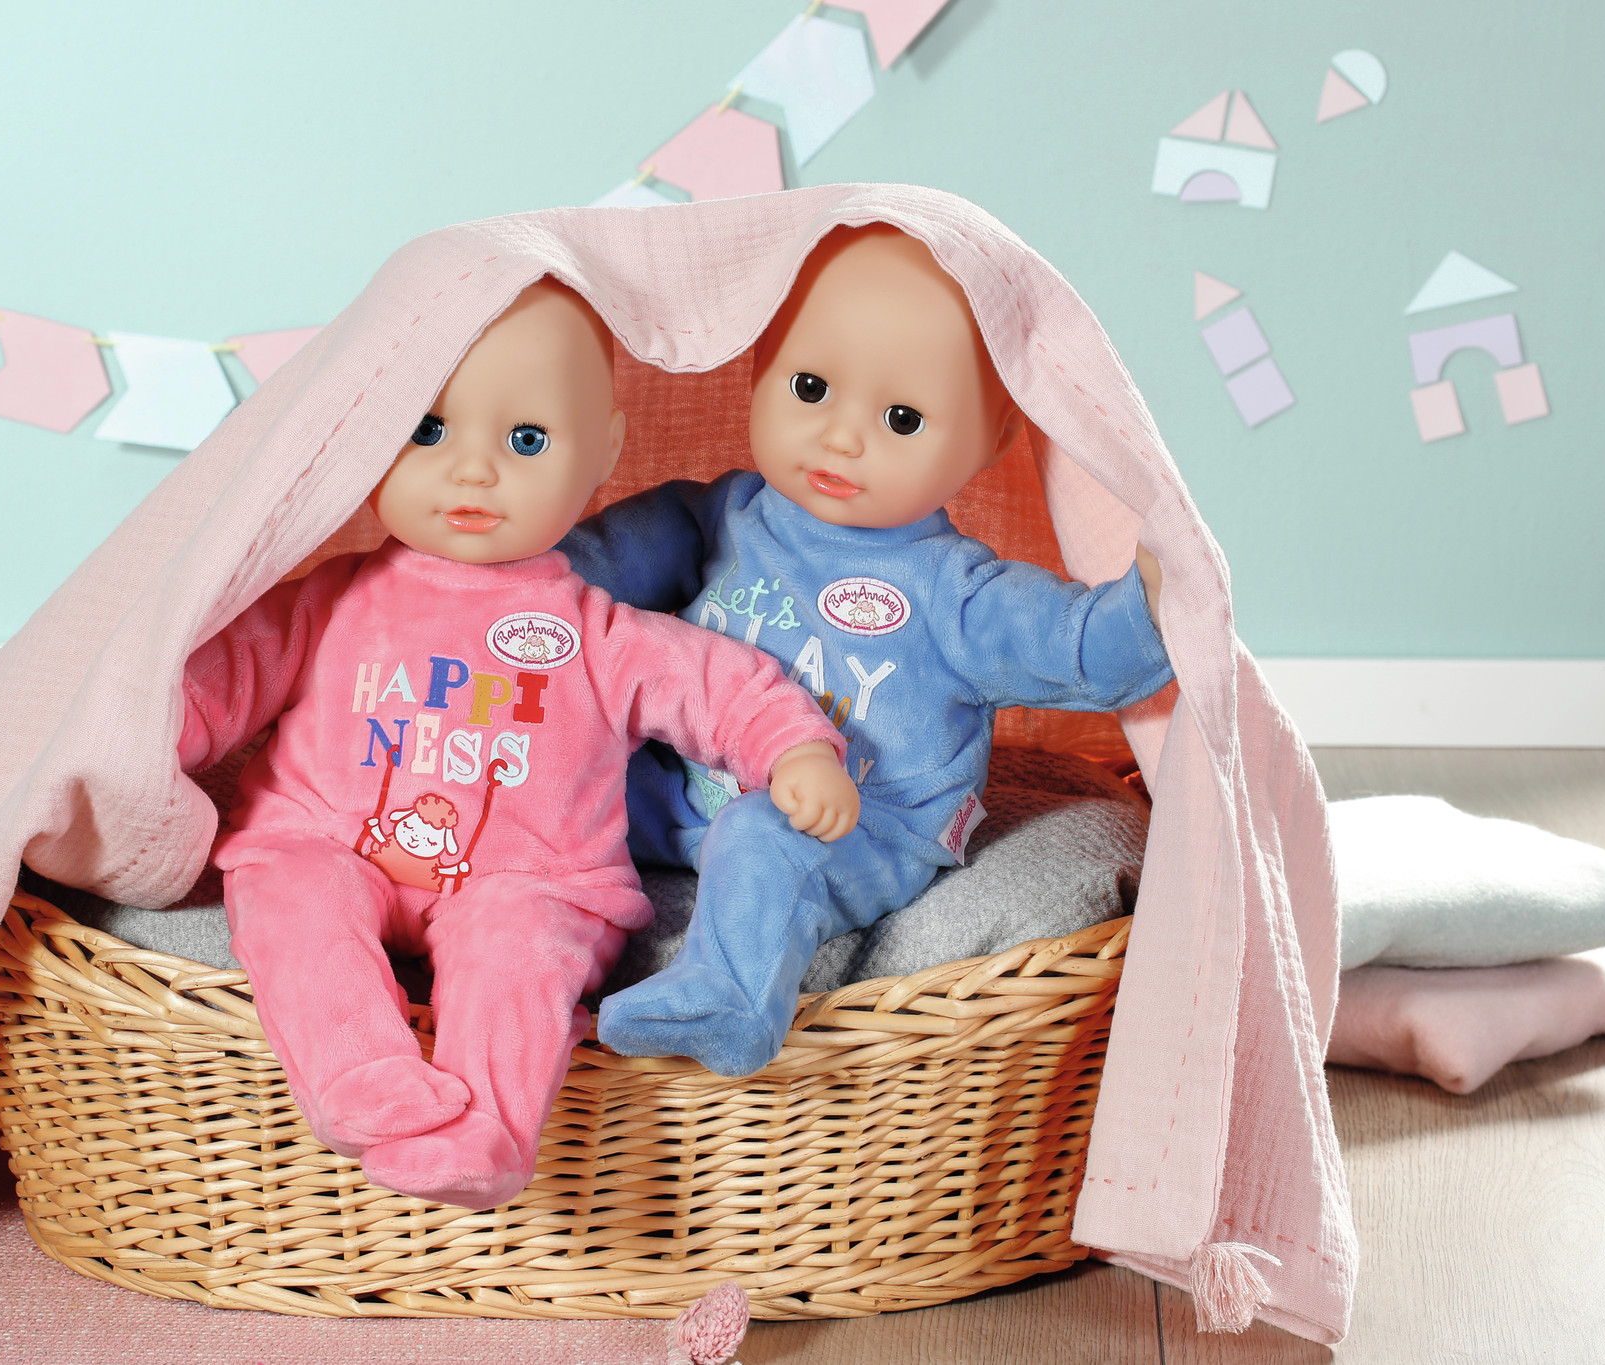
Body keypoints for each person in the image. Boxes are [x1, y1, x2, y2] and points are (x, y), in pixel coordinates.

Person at [177, 281, 858, 1208]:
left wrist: (795, 750)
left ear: (603, 453)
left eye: (526, 440)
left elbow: (719, 683)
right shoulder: (334, 598)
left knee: (521, 956)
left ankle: (485, 1131)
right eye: (428, 431)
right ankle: (356, 1075)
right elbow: (226, 671)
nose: (472, 472)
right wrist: (151, 734)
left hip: (528, 875)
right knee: (291, 900)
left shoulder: (595, 630)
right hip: (324, 836)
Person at [559, 225, 1175, 1078]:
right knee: (559, 770)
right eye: (810, 387)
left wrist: (1153, 599)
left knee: (764, 839)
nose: (844, 437)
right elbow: (598, 568)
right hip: (687, 785)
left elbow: (1076, 648)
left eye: (902, 418)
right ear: (758, 370)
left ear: (992, 440)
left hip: (859, 821)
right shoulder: (724, 514)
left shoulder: (952, 591)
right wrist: (525, 585)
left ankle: (729, 997)